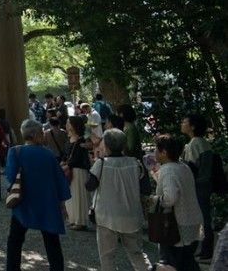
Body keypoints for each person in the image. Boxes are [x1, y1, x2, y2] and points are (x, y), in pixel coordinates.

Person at [5, 119, 71, 271]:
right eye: (41, 133)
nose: (43, 135)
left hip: (23, 202)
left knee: (15, 240)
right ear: (35, 135)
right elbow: (59, 180)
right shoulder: (48, 155)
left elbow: (10, 176)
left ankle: (12, 268)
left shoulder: (15, 152)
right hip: (47, 203)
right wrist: (62, 204)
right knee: (52, 242)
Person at [84, 129, 150, 271]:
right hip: (132, 215)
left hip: (106, 217)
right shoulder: (135, 163)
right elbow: (146, 189)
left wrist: (93, 163)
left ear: (106, 146)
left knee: (107, 257)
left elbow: (89, 186)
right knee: (137, 254)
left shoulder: (101, 164)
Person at [152, 134, 204, 270]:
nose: (154, 152)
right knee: (188, 261)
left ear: (164, 153)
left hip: (176, 225)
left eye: (156, 149)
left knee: (171, 264)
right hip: (193, 221)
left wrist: (155, 200)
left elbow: (170, 198)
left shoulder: (168, 170)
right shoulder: (183, 166)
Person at [181, 114, 215, 261]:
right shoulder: (203, 143)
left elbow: (190, 168)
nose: (182, 123)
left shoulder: (194, 144)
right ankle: (206, 248)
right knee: (205, 216)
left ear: (192, 126)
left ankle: (204, 250)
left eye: (185, 122)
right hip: (205, 184)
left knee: (202, 218)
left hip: (198, 185)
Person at [63, 116, 91, 231]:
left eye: (69, 123)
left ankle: (81, 220)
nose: (67, 124)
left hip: (78, 170)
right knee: (72, 196)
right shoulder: (72, 139)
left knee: (79, 196)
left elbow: (78, 158)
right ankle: (73, 218)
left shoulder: (81, 140)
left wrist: (67, 164)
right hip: (72, 169)